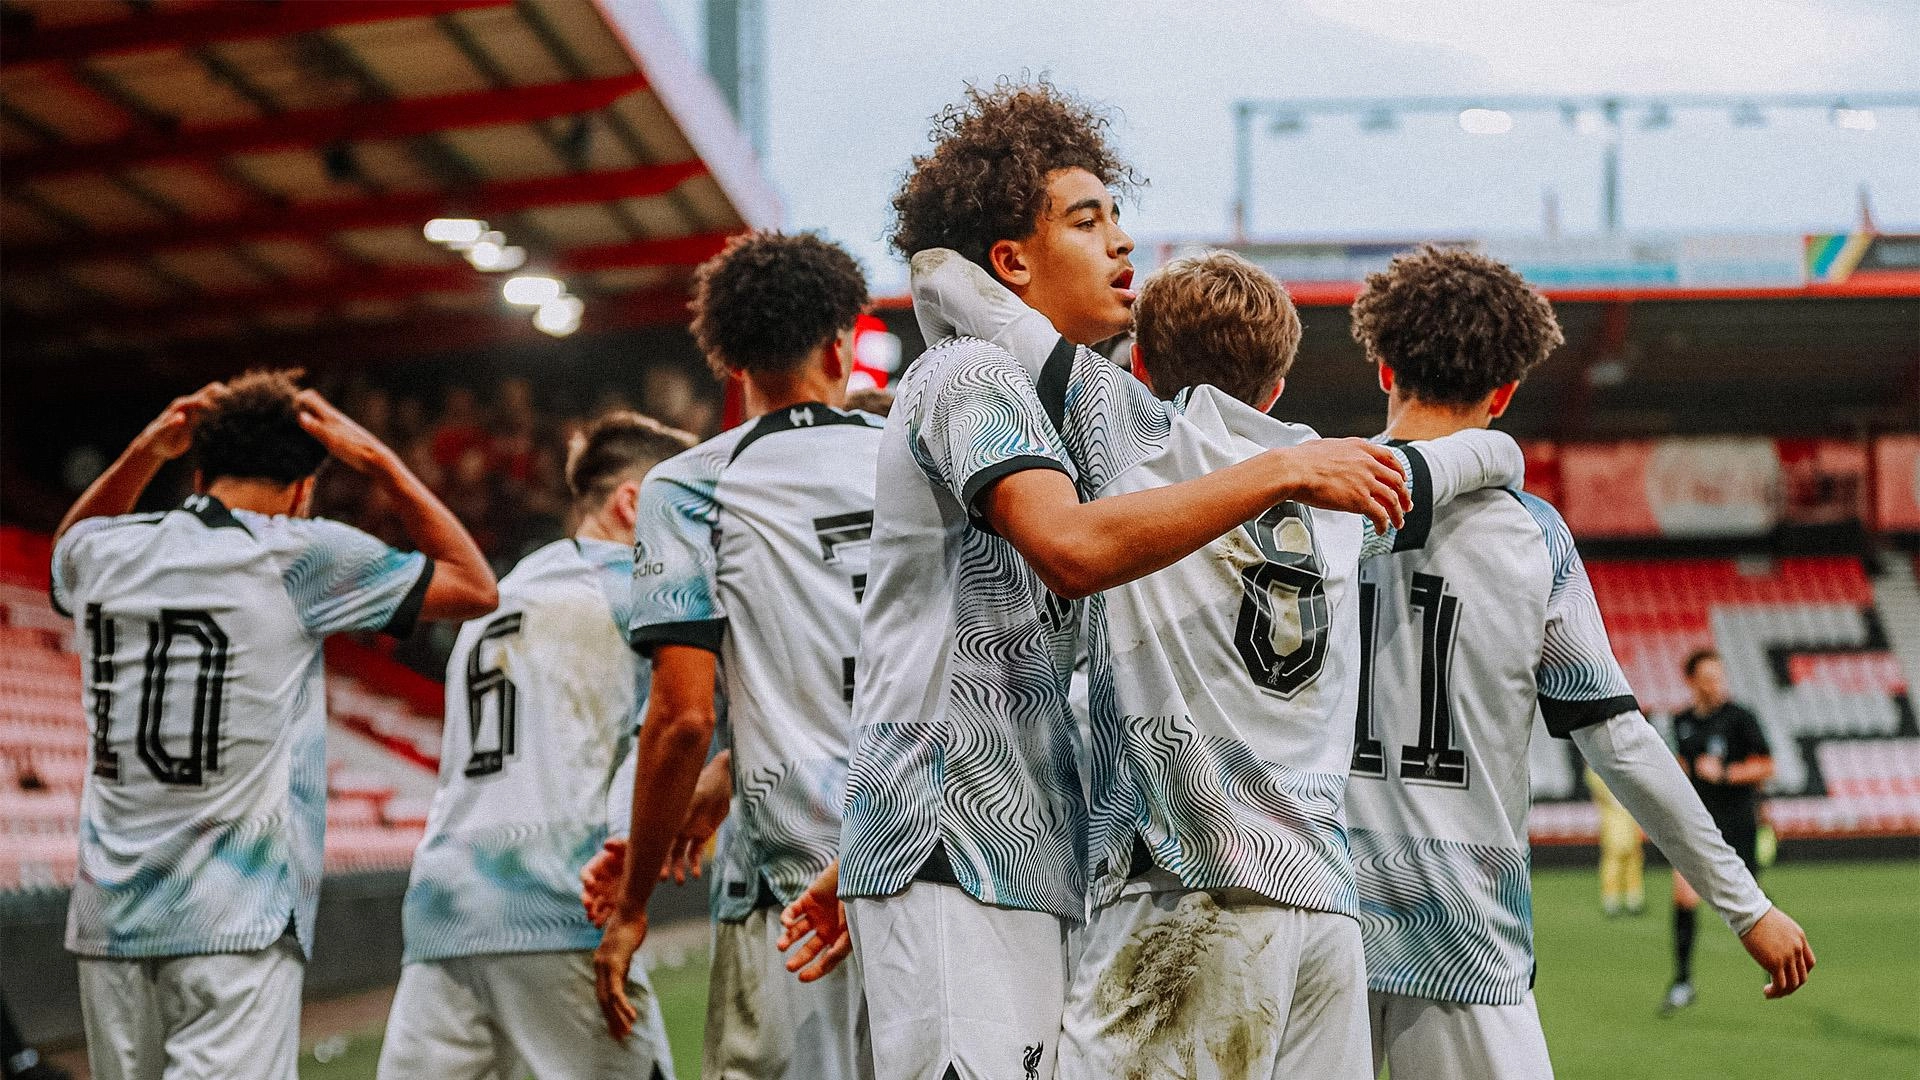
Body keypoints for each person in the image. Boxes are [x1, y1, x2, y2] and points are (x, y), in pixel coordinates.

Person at [832, 80, 1411, 1080]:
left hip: (1015, 848)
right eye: (1088, 221)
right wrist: (1279, 464)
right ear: (1012, 259)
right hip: (950, 835)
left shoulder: (1080, 420)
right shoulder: (971, 376)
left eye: (1120, 221)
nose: (1123, 247)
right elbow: (1070, 548)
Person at [898, 248, 1526, 1078]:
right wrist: (1508, 453)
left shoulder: (1137, 431)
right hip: (1325, 911)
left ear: (1145, 366)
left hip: (1191, 886)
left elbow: (947, 278)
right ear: (1275, 387)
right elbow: (1474, 457)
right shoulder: (1338, 482)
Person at [1338, 246, 1813, 1080]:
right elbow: (1619, 743)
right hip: (1462, 936)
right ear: (1505, 393)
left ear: (1382, 367)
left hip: (1314, 918)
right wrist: (1747, 907)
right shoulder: (1532, 538)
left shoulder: (1300, 504)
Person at [51, 371, 496, 1080]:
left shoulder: (104, 551)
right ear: (301, 491)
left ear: (196, 469)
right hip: (235, 919)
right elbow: (474, 585)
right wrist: (379, 461)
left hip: (109, 920)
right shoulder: (298, 554)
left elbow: (64, 553)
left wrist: (142, 451)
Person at [591, 231, 882, 1080]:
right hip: (927, 862)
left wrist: (635, 904)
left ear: (733, 361)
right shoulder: (920, 460)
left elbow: (682, 716)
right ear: (839, 343)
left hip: (789, 891)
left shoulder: (690, 485)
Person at [377, 411, 694, 1080]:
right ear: (632, 503)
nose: (701, 531)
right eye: (688, 507)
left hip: (443, 912)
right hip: (556, 902)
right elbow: (669, 731)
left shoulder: (499, 594)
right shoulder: (636, 589)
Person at [1664, 648, 1776, 1014]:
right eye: (1708, 677)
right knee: (1683, 895)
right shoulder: (1681, 721)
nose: (1716, 684)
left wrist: (1726, 773)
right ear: (1692, 681)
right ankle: (1682, 981)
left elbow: (1765, 765)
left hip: (1739, 822)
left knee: (1752, 896)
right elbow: (1681, 765)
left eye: (1719, 676)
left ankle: (1775, 961)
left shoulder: (1741, 718)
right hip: (1698, 825)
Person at [1588, 767, 1645, 917]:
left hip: (1629, 817)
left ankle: (1634, 897)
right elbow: (1599, 789)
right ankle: (1611, 898)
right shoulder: (1596, 768)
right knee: (1614, 857)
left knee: (1634, 857)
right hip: (1613, 819)